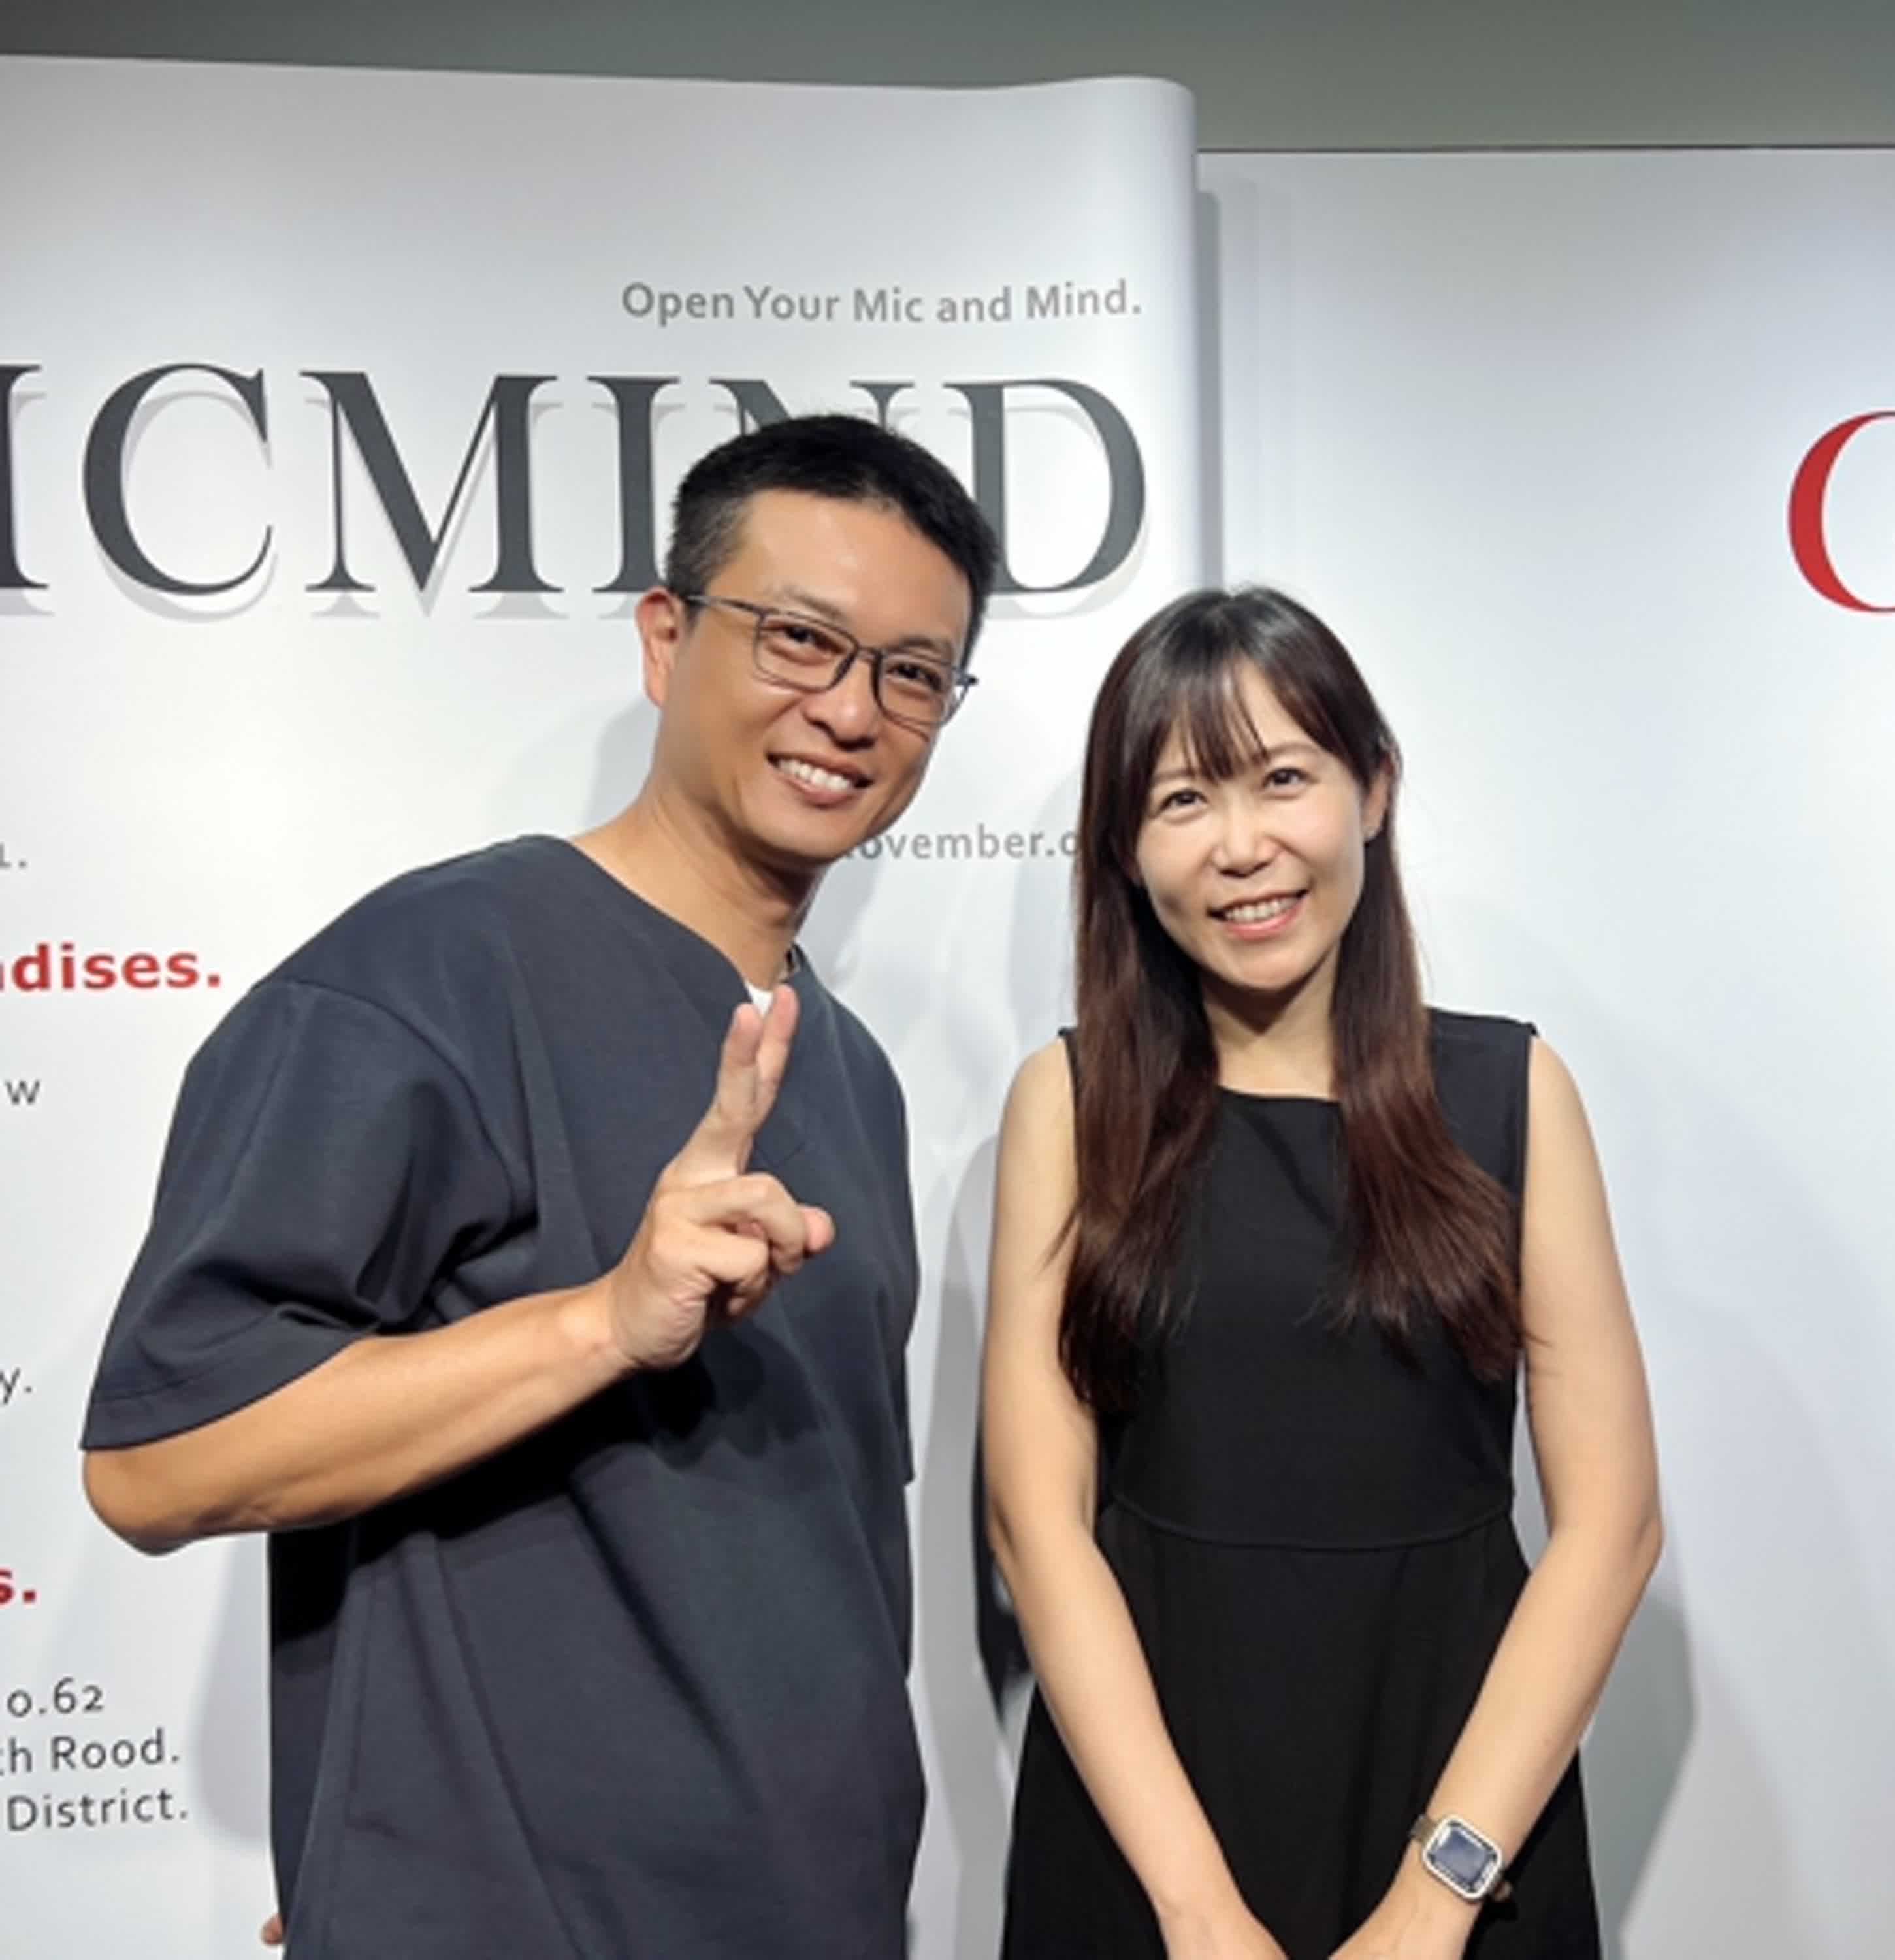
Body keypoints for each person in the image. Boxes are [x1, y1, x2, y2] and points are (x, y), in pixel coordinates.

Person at [81, 413, 998, 1960]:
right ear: (665, 638)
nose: (850, 710)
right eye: (799, 639)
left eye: (912, 673)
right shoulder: (424, 974)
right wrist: (606, 1322)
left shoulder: (851, 1072)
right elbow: (156, 1461)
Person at [982, 587, 1660, 1959]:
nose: (1242, 846)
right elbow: (1034, 1526)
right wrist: (1195, 1909)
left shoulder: (1513, 1091)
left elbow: (1613, 1526)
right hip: (1149, 1829)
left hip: (1460, 1807)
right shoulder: (1069, 1104)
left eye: (1283, 779)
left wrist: (1436, 1895)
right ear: (1125, 851)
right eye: (1182, 801)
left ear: (1374, 788)